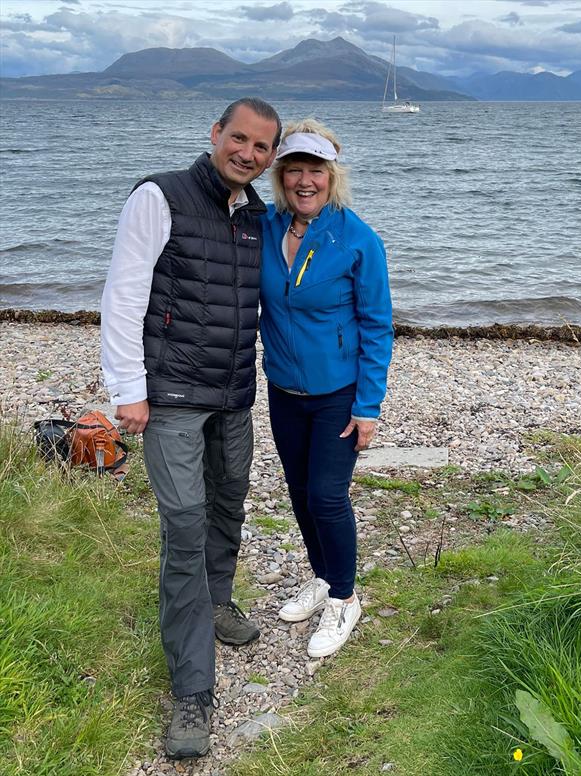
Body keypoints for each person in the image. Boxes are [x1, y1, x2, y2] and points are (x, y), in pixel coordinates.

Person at [100, 97, 281, 759]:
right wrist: (128, 389)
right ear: (216, 134)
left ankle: (220, 598)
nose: (249, 154)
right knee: (183, 525)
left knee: (229, 501)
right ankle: (191, 692)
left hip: (232, 393)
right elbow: (124, 292)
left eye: (263, 147)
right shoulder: (160, 196)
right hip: (170, 395)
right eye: (240, 139)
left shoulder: (258, 216)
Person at [259, 119, 393, 659]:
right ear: (281, 176)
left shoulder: (357, 239)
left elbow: (378, 325)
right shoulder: (266, 226)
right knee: (297, 491)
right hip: (283, 388)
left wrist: (368, 405)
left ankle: (344, 597)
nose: (305, 181)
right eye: (295, 170)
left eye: (316, 170)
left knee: (326, 495)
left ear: (332, 176)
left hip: (338, 392)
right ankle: (321, 575)